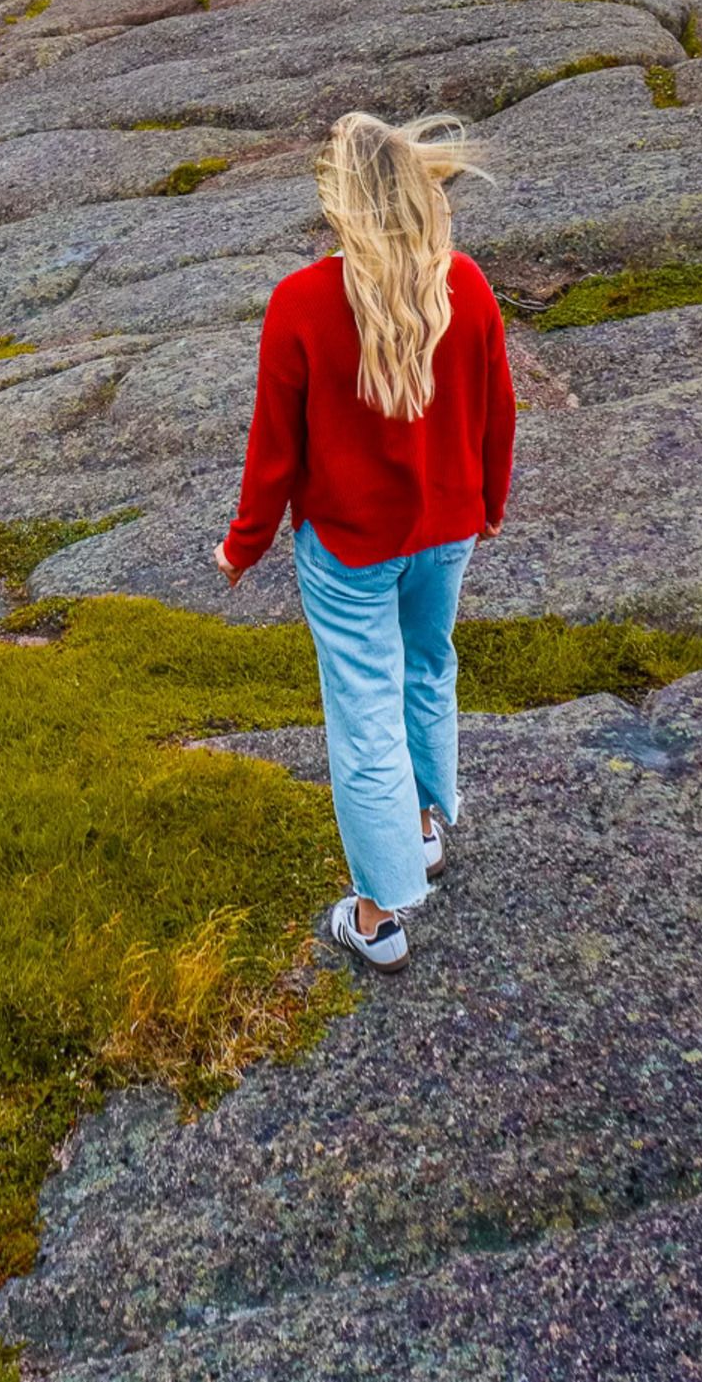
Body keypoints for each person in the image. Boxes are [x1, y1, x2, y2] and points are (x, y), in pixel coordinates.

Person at [215, 110, 515, 975]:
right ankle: (422, 827)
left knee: (365, 716)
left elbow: (275, 451)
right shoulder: (465, 284)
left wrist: (243, 546)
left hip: (348, 549)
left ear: (340, 202)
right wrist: (490, 503)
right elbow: (499, 409)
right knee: (428, 667)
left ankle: (379, 916)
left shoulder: (302, 302)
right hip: (448, 529)